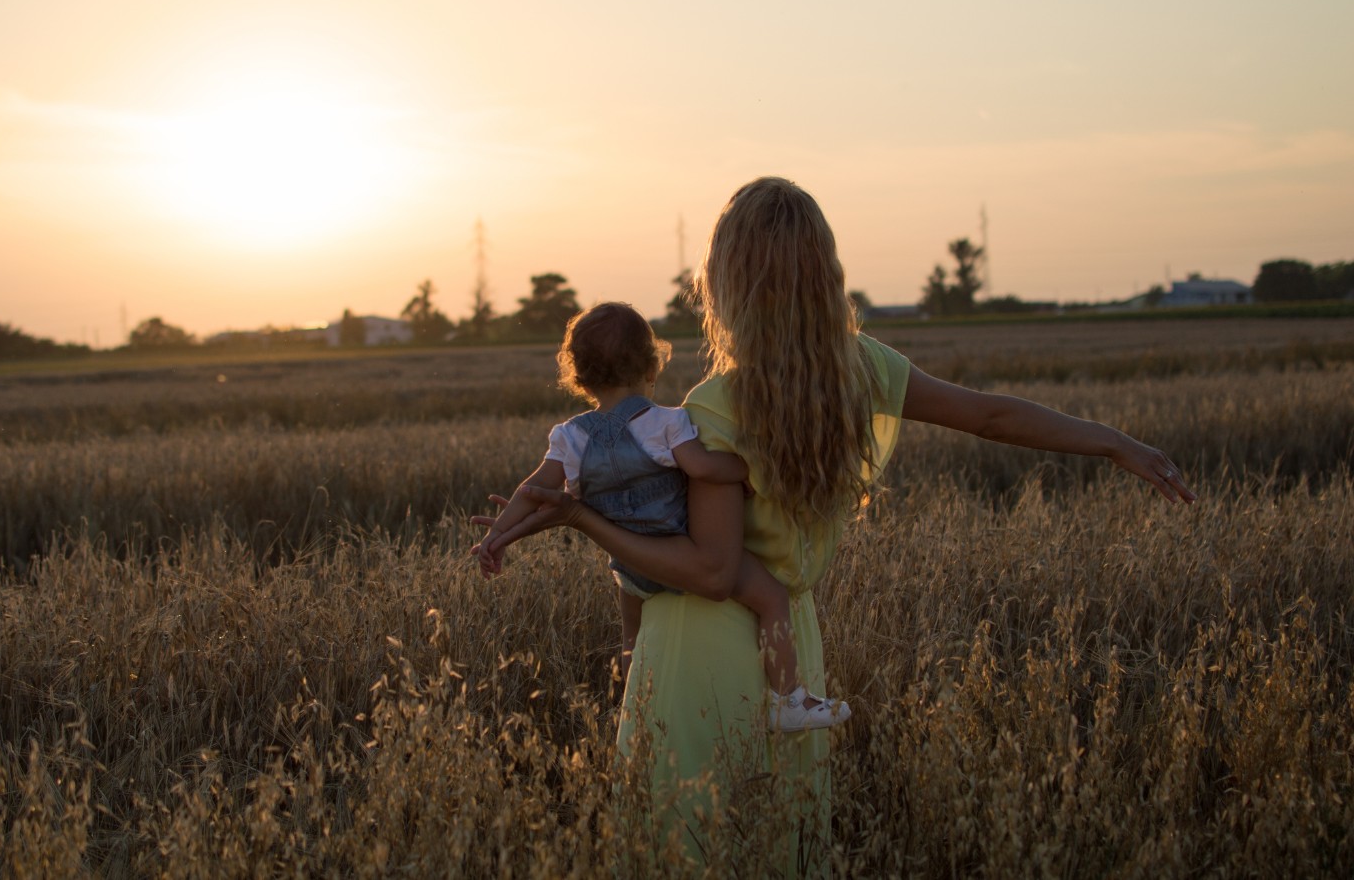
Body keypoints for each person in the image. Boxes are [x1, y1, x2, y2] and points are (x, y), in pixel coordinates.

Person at [472, 176, 1197, 867]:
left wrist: (582, 523)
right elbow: (991, 414)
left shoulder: (714, 406)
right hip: (792, 650)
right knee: (778, 844)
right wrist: (1112, 440)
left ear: (726, 285)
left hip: (699, 648)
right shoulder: (864, 370)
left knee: (690, 850)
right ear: (824, 275)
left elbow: (712, 571)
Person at [476, 301, 849, 731]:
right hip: (680, 551)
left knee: (631, 638)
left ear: (579, 378)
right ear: (653, 367)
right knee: (771, 598)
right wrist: (747, 471)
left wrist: (498, 536)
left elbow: (531, 491)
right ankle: (788, 699)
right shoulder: (665, 423)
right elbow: (704, 469)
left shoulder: (570, 437)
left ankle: (636, 703)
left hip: (631, 568)